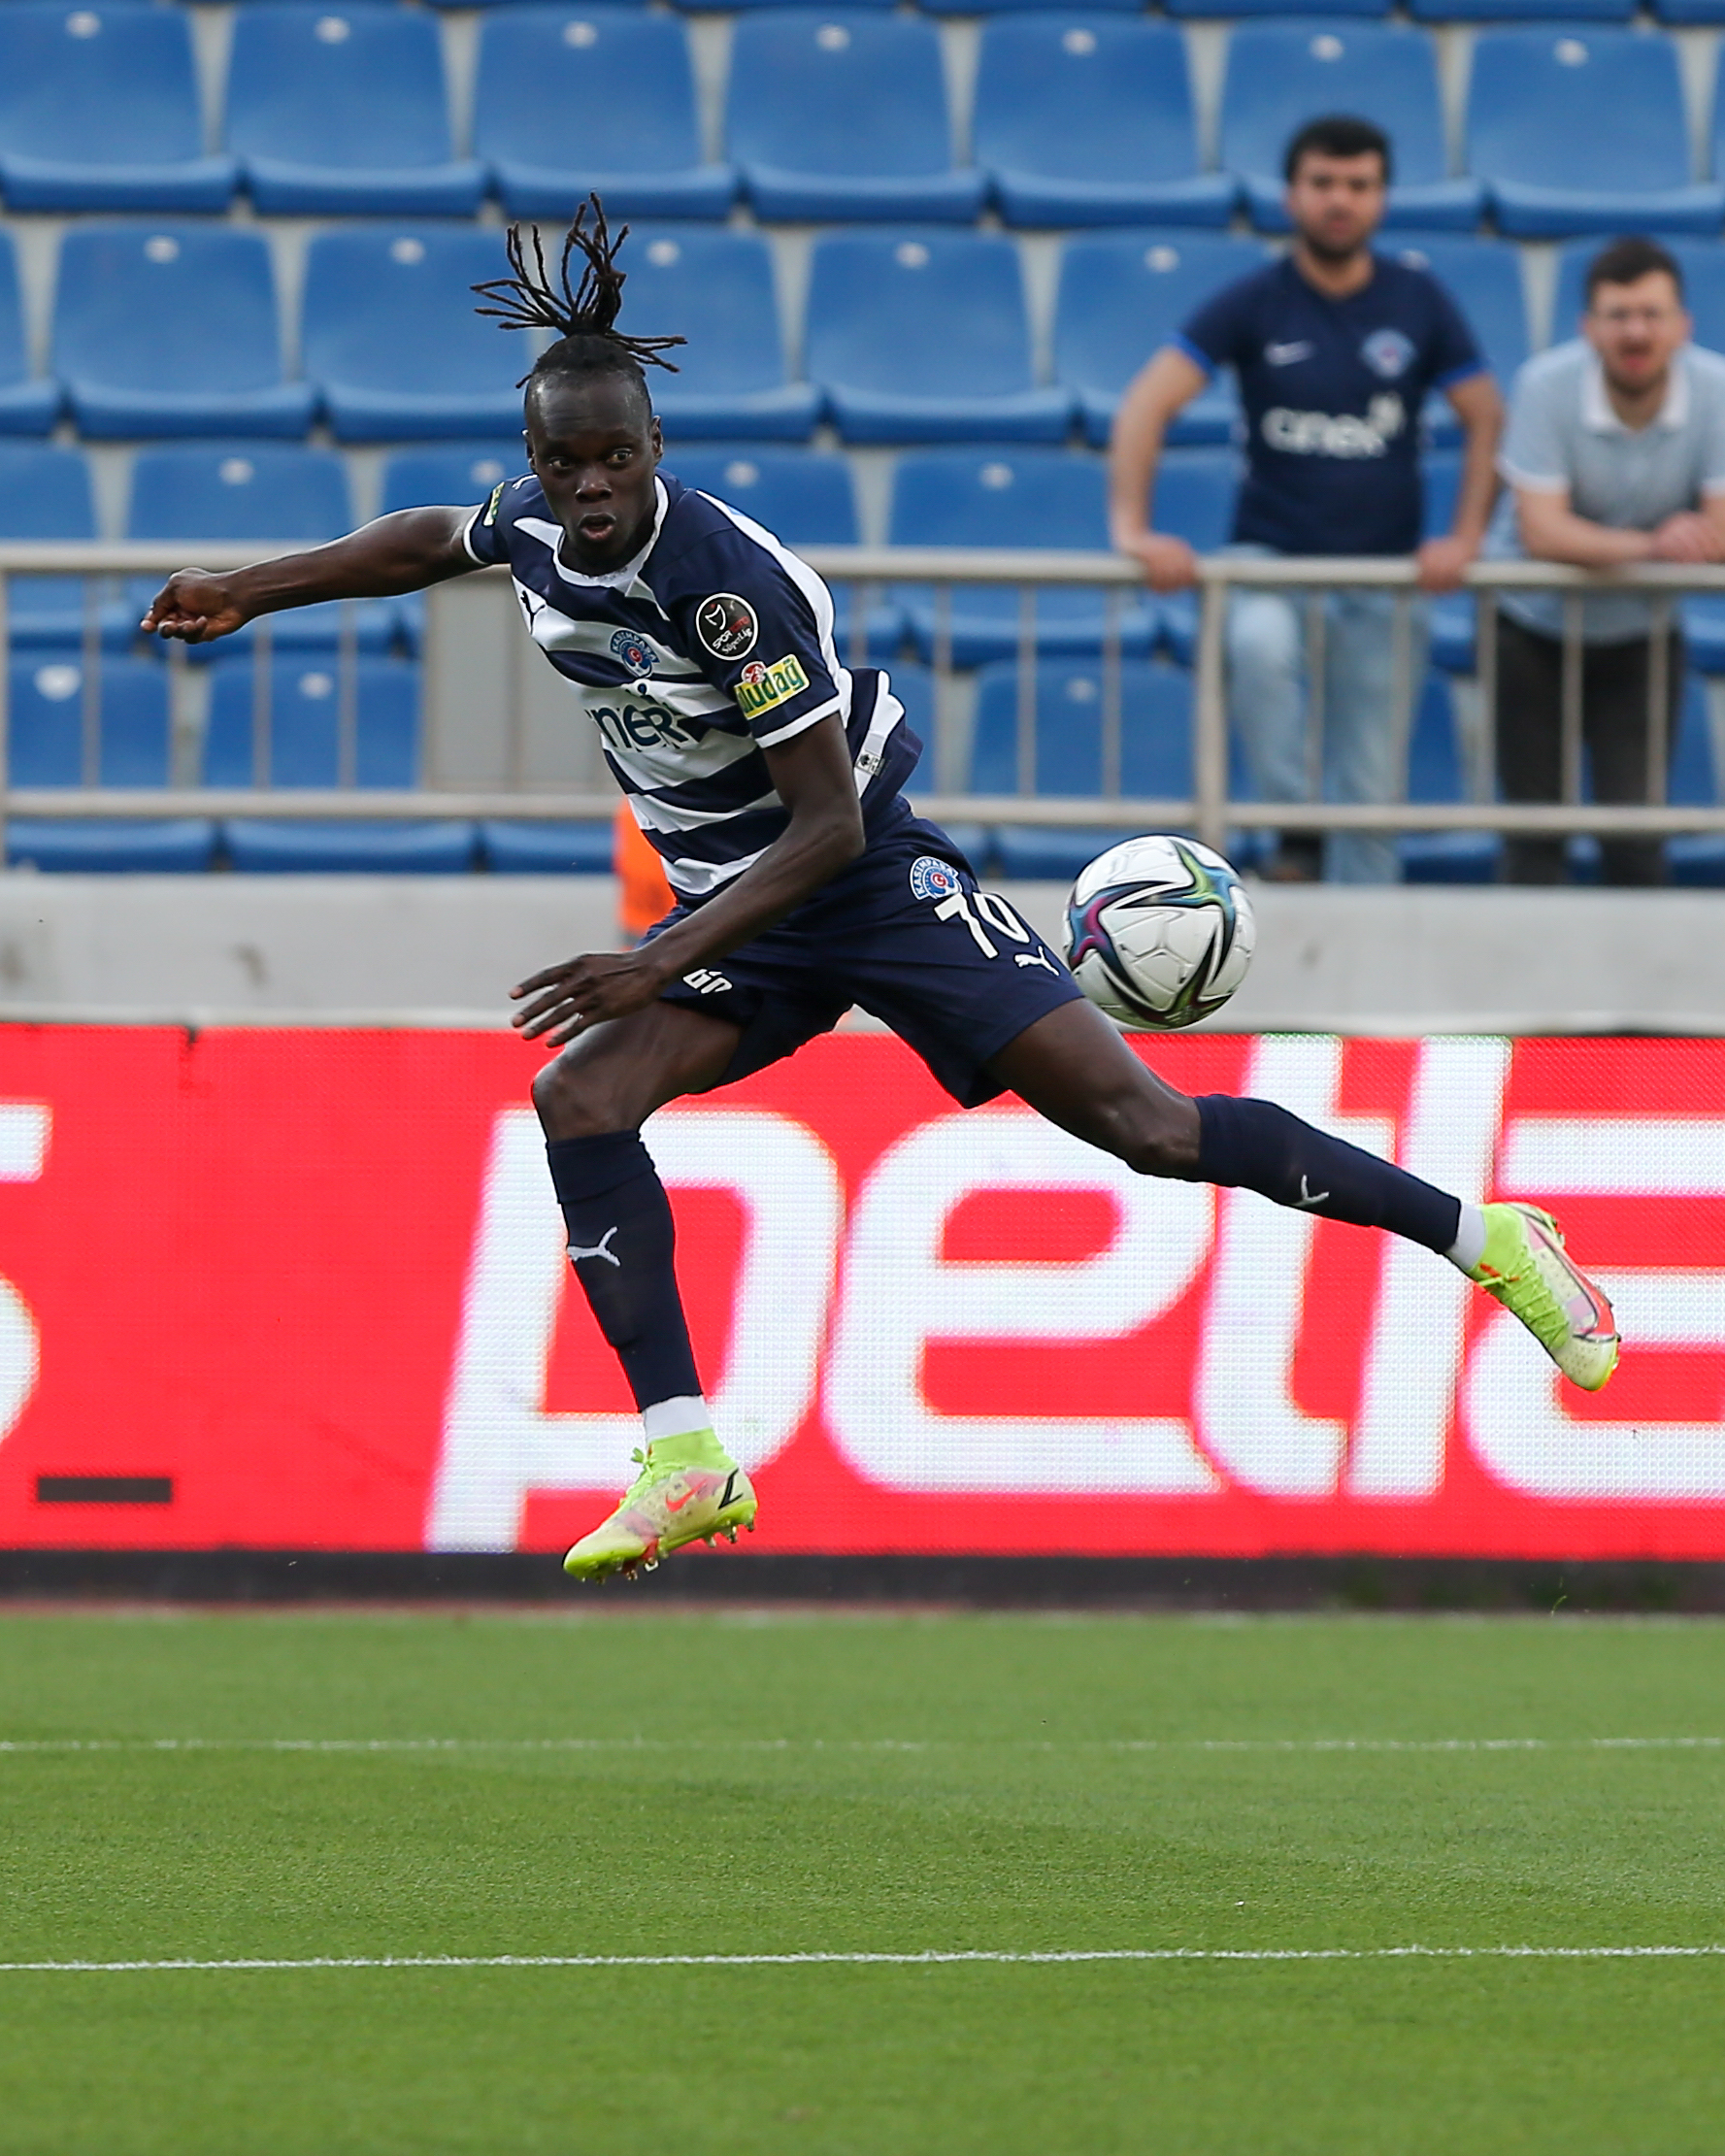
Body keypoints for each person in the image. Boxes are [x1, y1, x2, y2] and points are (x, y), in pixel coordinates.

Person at [143, 203, 1617, 1581]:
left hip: (859, 882)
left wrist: (655, 958)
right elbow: (421, 539)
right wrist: (247, 588)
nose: (588, 490)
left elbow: (829, 825)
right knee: (581, 1099)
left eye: (614, 460)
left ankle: (1484, 1236)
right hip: (740, 902)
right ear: (534, 457)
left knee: (1149, 1129)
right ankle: (685, 1455)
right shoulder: (530, 521)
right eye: (563, 463)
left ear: (656, 445)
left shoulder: (722, 585)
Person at [1109, 115, 1503, 884]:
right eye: (1323, 183)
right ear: (1291, 195)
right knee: (1255, 647)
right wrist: (1132, 528)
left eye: (1358, 185)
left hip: (1384, 577)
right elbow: (1144, 406)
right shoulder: (1255, 301)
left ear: (1381, 198)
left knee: (1371, 785)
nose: (1339, 200)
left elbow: (1485, 414)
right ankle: (1296, 826)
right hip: (1271, 560)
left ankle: (1368, 941)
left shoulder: (1418, 300)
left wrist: (1465, 536)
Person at [1486, 236, 1725, 886]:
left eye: (1651, 314)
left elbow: (1718, 532)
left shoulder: (1715, 389)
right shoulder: (1544, 384)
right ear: (1587, 327)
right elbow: (1541, 532)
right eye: (1618, 315)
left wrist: (1677, 541)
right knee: (1533, 842)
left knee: (1637, 843)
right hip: (1529, 630)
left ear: (1683, 326)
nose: (1635, 331)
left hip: (1642, 635)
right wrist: (1656, 546)